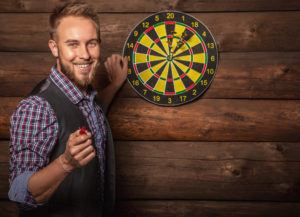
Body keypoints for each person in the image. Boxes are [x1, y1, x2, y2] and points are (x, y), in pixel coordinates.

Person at [8, 1, 128, 217]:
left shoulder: (88, 99)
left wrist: (115, 84)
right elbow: (19, 193)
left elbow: (94, 107)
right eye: (73, 44)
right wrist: (65, 163)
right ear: (54, 47)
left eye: (91, 43)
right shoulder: (37, 107)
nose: (84, 54)